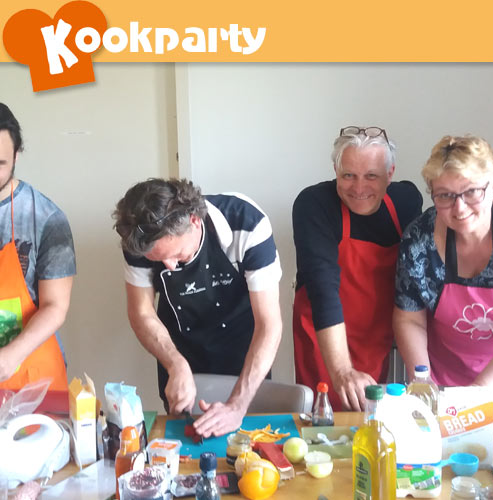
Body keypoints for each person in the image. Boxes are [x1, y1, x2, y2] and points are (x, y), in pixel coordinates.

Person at [113, 178, 282, 436]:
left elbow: (269, 325)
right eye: (158, 260)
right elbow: (141, 312)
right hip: (180, 348)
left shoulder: (247, 224)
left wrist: (237, 405)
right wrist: (175, 364)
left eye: (176, 255)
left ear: (194, 221)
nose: (169, 266)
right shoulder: (138, 239)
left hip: (244, 350)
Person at [293, 126, 422, 411]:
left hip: (375, 333)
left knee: (370, 414)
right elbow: (323, 290)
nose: (359, 188)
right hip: (323, 333)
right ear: (335, 170)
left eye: (371, 176)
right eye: (348, 175)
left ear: (390, 173)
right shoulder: (314, 204)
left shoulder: (407, 202)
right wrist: (342, 371)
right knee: (323, 417)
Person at [394, 135, 493, 390]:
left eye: (472, 191)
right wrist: (423, 384)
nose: (459, 208)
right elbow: (410, 320)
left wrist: (479, 392)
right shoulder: (419, 241)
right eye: (445, 195)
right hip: (442, 383)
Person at [0, 103, 75, 391]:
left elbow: (55, 306)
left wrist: (10, 357)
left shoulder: (47, 219)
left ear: (16, 155)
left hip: (31, 374)